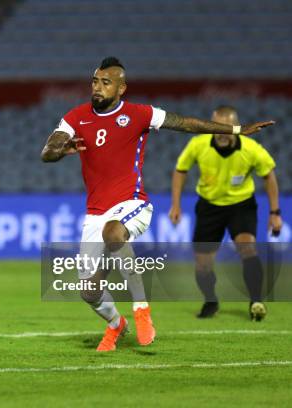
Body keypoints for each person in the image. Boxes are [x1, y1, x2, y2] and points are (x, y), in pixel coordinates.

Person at [41, 57, 273, 352]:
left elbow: (185, 123)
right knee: (88, 290)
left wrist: (237, 131)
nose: (98, 88)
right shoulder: (76, 117)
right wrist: (61, 149)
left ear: (121, 88)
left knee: (113, 232)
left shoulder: (140, 114)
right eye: (95, 82)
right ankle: (116, 325)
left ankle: (141, 309)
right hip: (94, 213)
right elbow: (47, 151)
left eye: (106, 83)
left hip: (132, 203)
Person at [168, 105, 281, 321]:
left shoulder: (251, 149)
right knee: (202, 264)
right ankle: (211, 301)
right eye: (217, 126)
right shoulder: (198, 144)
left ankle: (256, 301)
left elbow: (269, 175)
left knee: (247, 248)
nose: (220, 131)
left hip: (241, 205)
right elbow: (180, 170)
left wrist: (275, 212)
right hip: (209, 206)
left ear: (235, 127)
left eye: (226, 127)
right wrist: (176, 205)